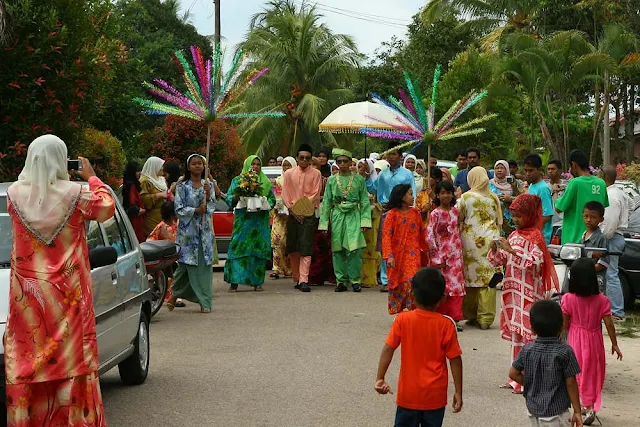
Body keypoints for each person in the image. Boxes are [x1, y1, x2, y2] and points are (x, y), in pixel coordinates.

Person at [6, 135, 114, 426]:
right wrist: (91, 178)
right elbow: (106, 208)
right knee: (73, 362)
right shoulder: (77, 194)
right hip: (69, 297)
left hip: (28, 301)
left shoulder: (15, 194)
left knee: (29, 362)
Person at [489, 194, 560, 393]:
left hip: (529, 294)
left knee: (529, 336)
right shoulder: (513, 235)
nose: (516, 220)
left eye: (519, 216)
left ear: (529, 214)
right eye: (513, 216)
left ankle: (529, 378)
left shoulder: (536, 237)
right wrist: (495, 250)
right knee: (516, 336)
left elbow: (536, 263)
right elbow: (499, 261)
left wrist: (512, 252)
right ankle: (515, 377)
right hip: (513, 293)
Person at [375, 268, 463, 427]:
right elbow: (455, 360)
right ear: (442, 299)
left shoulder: (402, 320)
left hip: (408, 395)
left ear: (412, 295)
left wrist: (380, 378)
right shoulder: (446, 325)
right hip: (435, 397)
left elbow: (388, 349)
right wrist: (458, 391)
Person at [561, 258, 623, 425]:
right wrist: (614, 344)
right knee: (592, 373)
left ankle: (579, 406)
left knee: (575, 373)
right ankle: (589, 406)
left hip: (575, 339)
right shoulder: (602, 300)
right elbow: (609, 324)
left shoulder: (567, 298)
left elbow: (564, 323)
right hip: (594, 341)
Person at [509, 300, 583, 427]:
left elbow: (513, 373)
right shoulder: (565, 351)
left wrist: (532, 384)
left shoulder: (527, 349)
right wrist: (577, 411)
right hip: (556, 411)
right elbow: (571, 383)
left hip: (533, 409)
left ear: (532, 329)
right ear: (561, 327)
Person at [167, 154, 216, 313]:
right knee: (185, 266)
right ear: (188, 167)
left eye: (200, 164)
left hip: (204, 233)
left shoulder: (208, 185)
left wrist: (208, 196)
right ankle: (175, 294)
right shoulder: (182, 186)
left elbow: (212, 206)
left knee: (203, 267)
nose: (197, 166)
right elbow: (179, 208)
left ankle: (205, 301)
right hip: (188, 234)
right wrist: (195, 210)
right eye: (194, 164)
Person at [319, 149, 371, 292]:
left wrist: (365, 221)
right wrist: (324, 224)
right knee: (338, 249)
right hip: (337, 215)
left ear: (350, 163)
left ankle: (355, 280)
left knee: (355, 249)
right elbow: (327, 202)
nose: (342, 164)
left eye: (345, 161)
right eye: (339, 161)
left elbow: (365, 202)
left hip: (354, 214)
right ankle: (340, 281)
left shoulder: (359, 179)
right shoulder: (331, 180)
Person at [367, 142, 417, 292]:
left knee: (403, 245)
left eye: (394, 154)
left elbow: (412, 193)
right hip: (387, 211)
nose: (391, 157)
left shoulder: (407, 174)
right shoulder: (383, 174)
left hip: (403, 211)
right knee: (386, 245)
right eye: (389, 154)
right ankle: (386, 279)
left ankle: (403, 277)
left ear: (400, 157)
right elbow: (372, 188)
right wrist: (366, 175)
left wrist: (411, 211)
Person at [459, 167, 502, 330]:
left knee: (470, 278)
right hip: (491, 241)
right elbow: (499, 219)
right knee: (488, 280)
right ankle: (485, 319)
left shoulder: (466, 197)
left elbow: (459, 217)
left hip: (471, 243)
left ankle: (471, 315)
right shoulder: (493, 197)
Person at [224, 155, 276, 291]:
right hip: (243, 222)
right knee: (238, 249)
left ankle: (256, 282)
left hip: (259, 223)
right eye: (253, 164)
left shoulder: (264, 182)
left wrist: (265, 202)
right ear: (247, 165)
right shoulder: (237, 181)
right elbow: (229, 198)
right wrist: (237, 196)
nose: (255, 167)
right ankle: (234, 282)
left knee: (257, 251)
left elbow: (272, 199)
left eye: (258, 164)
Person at [282, 143, 322, 293]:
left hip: (308, 214)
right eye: (301, 158)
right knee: (293, 247)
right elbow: (285, 194)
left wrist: (301, 209)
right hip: (292, 214)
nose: (304, 160)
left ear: (311, 159)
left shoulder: (316, 174)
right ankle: (297, 277)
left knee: (306, 247)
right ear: (297, 158)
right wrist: (293, 210)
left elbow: (315, 193)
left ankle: (304, 280)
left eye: (307, 158)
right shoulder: (289, 174)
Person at [382, 184, 427, 314]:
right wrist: (389, 255)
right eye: (410, 194)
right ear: (402, 197)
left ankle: (414, 311)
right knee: (397, 283)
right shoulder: (391, 214)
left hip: (413, 255)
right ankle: (400, 312)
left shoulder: (415, 213)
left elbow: (422, 233)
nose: (413, 197)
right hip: (396, 256)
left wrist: (428, 250)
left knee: (413, 281)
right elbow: (386, 236)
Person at [427, 181, 465, 328]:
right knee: (442, 286)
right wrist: (435, 257)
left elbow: (458, 229)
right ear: (437, 195)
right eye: (442, 193)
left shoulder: (455, 211)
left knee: (456, 285)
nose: (446, 196)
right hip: (441, 255)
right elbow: (429, 236)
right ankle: (440, 316)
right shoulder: (435, 213)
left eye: (448, 192)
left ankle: (454, 318)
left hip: (455, 255)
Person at [555, 149, 608, 244]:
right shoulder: (601, 183)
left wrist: (555, 193)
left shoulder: (575, 183)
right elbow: (603, 207)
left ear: (574, 164)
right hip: (594, 241)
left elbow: (558, 208)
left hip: (573, 240)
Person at [600, 166, 628, 321]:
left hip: (612, 238)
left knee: (611, 274)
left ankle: (616, 311)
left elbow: (609, 225)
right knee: (610, 274)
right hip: (616, 237)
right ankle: (612, 309)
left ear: (604, 176)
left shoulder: (611, 196)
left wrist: (601, 239)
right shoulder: (618, 193)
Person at [357, 159, 382, 288]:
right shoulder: (353, 180)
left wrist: (366, 177)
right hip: (357, 216)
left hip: (373, 216)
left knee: (371, 246)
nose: (361, 169)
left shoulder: (375, 181)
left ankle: (371, 277)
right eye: (359, 167)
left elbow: (374, 192)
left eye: (364, 167)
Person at [271, 156, 296, 279]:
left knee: (289, 242)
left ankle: (290, 268)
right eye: (284, 165)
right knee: (277, 240)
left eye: (289, 165)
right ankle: (276, 268)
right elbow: (276, 195)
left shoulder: (297, 180)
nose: (286, 168)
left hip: (293, 215)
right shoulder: (278, 180)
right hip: (280, 215)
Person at [524, 154, 554, 244]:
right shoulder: (532, 185)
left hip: (541, 236)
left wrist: (532, 227)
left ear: (540, 170)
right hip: (531, 234)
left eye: (531, 170)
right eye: (525, 171)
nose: (527, 174)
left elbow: (547, 215)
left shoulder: (543, 189)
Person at [580, 202, 609, 293]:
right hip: (583, 278)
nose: (588, 220)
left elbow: (603, 263)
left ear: (601, 219)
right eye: (586, 216)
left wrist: (585, 270)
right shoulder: (583, 235)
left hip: (596, 279)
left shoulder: (602, 238)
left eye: (593, 217)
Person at [490, 159, 521, 235]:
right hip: (494, 220)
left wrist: (511, 199)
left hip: (511, 220)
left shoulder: (515, 183)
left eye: (502, 168)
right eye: (497, 168)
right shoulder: (489, 184)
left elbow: (522, 199)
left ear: (507, 170)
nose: (499, 170)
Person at [140, 156, 168, 235]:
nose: (162, 168)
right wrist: (158, 195)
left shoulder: (162, 180)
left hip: (164, 217)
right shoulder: (145, 181)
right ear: (154, 167)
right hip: (151, 219)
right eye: (160, 166)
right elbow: (143, 200)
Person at [122, 161, 146, 242]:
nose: (140, 173)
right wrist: (140, 210)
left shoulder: (132, 183)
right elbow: (131, 203)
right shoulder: (131, 185)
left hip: (137, 218)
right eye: (137, 171)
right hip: (135, 219)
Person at [547, 160, 566, 238]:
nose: (550, 171)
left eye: (553, 169)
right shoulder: (545, 187)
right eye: (548, 169)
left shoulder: (567, 186)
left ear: (560, 170)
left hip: (562, 224)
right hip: (549, 225)